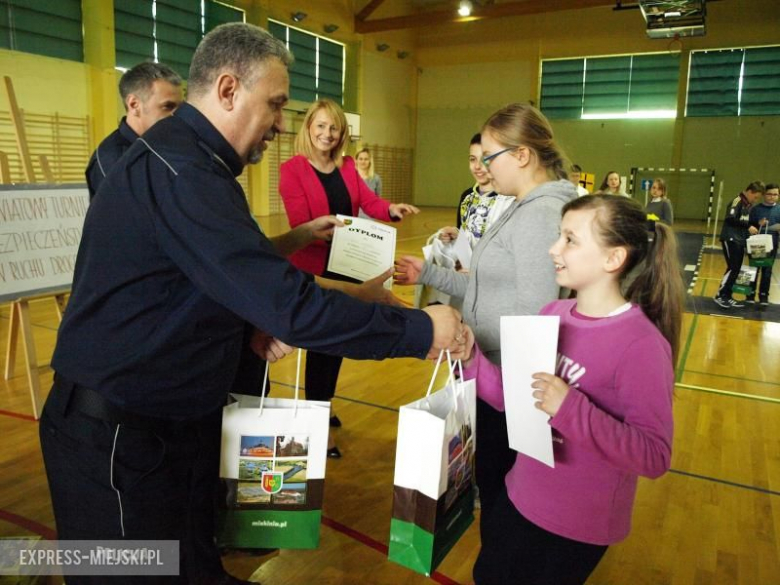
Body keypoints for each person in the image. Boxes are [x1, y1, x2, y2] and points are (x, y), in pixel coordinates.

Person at [40, 23, 469, 585]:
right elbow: (291, 306)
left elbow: (196, 279)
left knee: (195, 567)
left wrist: (242, 325)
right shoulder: (183, 173)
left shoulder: (197, 165)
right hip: (119, 440)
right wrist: (419, 329)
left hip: (167, 427)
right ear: (227, 90)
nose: (278, 124)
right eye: (275, 104)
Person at [465, 194, 683, 585]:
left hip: (578, 524)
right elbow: (515, 399)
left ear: (613, 259)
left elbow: (653, 455)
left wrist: (570, 408)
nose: (554, 249)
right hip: (520, 496)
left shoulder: (641, 345)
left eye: (570, 239)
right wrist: (470, 359)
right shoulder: (553, 313)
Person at [395, 103, 577, 520]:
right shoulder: (519, 205)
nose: (485, 168)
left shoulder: (539, 214)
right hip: (489, 372)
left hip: (505, 385)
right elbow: (484, 286)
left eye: (491, 157)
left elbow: (533, 318)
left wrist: (474, 349)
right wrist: (431, 272)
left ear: (522, 155)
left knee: (499, 490)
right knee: (491, 481)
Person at [279, 98, 419, 458]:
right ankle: (318, 422)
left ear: (343, 132)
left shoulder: (347, 166)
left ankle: (322, 404)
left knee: (336, 345)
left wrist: (390, 209)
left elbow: (367, 202)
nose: (327, 133)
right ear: (309, 128)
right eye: (321, 126)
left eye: (334, 127)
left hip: (348, 264)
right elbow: (300, 222)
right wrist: (319, 232)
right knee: (322, 346)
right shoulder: (292, 169)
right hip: (315, 270)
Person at [85, 62, 183, 200]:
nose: (178, 115)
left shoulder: (173, 146)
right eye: (168, 106)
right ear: (134, 105)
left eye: (180, 108)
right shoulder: (111, 158)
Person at [437, 133, 515, 249]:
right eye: (472, 159)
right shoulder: (466, 197)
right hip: (467, 266)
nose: (477, 166)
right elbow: (463, 242)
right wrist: (455, 238)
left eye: (484, 159)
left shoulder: (509, 199)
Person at [715, 181, 765, 309]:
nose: (755, 200)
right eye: (756, 197)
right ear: (749, 192)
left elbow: (744, 221)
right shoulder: (737, 201)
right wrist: (748, 226)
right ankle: (720, 295)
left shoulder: (747, 205)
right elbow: (730, 219)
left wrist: (757, 224)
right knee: (734, 267)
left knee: (736, 268)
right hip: (730, 238)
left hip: (740, 240)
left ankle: (727, 294)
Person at [748, 183, 780, 306]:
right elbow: (749, 226)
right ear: (764, 195)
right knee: (754, 268)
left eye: (775, 194)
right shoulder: (756, 209)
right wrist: (758, 224)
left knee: (767, 271)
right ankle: (750, 294)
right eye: (769, 194)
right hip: (758, 242)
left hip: (773, 242)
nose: (772, 197)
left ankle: (763, 296)